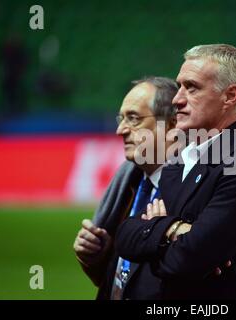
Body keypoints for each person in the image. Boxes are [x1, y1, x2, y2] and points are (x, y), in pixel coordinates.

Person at [115, 44, 236, 299]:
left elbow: (184, 262)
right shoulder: (179, 160)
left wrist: (156, 231)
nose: (177, 99)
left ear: (230, 96)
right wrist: (174, 230)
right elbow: (125, 237)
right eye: (179, 86)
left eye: (191, 87)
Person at [73, 76, 178, 300]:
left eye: (133, 119)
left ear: (171, 125)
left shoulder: (194, 191)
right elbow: (119, 281)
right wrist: (98, 258)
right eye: (121, 119)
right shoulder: (128, 183)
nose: (121, 130)